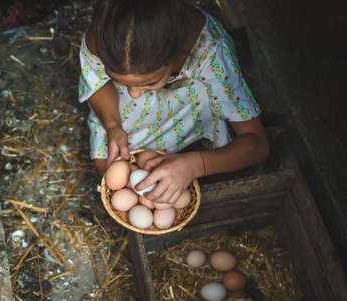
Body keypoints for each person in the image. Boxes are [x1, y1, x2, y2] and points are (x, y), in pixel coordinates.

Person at [78, 0, 269, 205]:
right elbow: (96, 82)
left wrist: (196, 165)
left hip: (188, 94)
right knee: (104, 163)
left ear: (176, 55)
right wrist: (112, 124)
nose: (133, 94)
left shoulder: (210, 54)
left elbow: (257, 143)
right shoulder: (103, 39)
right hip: (147, 95)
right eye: (118, 80)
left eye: (150, 81)